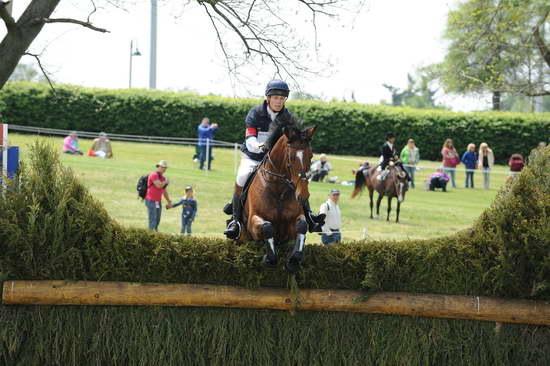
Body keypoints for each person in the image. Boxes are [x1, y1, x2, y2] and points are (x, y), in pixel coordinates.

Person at [223, 80, 325, 239]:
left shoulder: (288, 117)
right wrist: (258, 146)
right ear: (268, 97)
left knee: (299, 179)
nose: (279, 101)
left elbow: (295, 141)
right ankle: (235, 221)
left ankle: (309, 216)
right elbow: (250, 137)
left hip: (276, 162)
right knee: (242, 176)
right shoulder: (255, 113)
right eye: (276, 97)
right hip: (254, 156)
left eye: (282, 98)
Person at [145, 160, 172, 231]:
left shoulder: (162, 178)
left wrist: (169, 201)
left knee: (157, 219)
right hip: (150, 200)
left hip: (158, 202)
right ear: (158, 167)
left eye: (165, 168)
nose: (164, 169)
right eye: (162, 167)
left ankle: (155, 233)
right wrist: (166, 182)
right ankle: (150, 234)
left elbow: (164, 191)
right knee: (152, 219)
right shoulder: (153, 175)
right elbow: (159, 185)